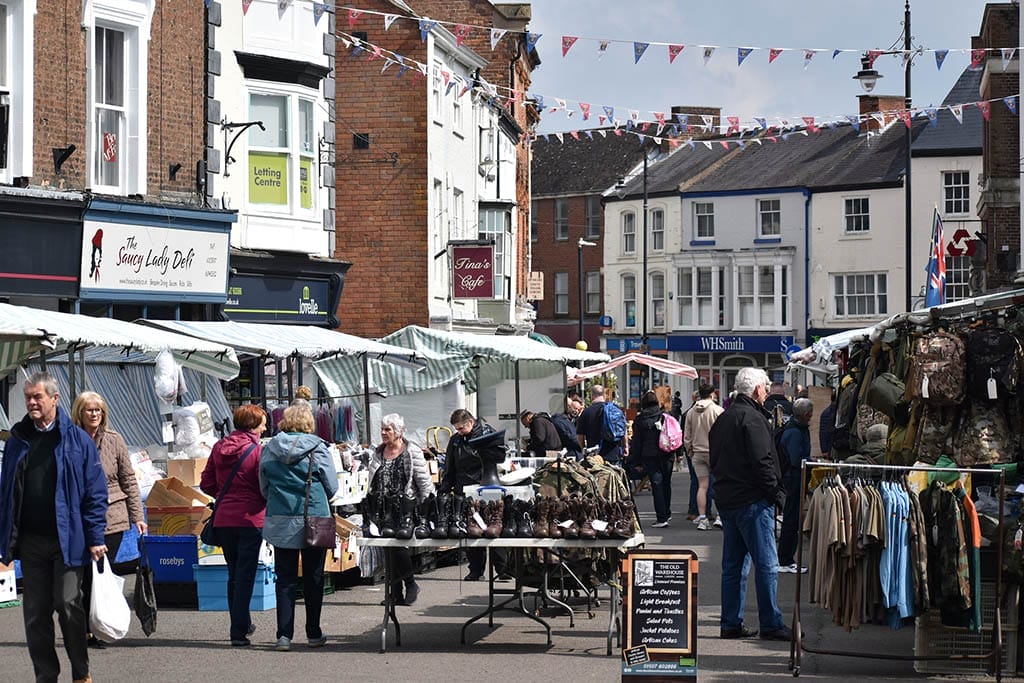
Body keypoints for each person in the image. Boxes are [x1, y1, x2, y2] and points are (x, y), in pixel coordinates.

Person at [0, 372, 108, 683]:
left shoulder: (77, 440)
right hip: (32, 541)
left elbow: (95, 493)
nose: (32, 402)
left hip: (68, 539)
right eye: (28, 397)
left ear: (55, 399)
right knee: (35, 614)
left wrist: (95, 536)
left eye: (38, 397)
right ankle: (46, 676)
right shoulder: (18, 440)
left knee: (68, 603)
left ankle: (80, 672)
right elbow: (7, 492)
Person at [709, 366, 790, 641]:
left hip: (729, 500)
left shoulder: (724, 418)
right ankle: (770, 622)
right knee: (766, 563)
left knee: (733, 566)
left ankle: (730, 622)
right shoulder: (753, 419)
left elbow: (716, 460)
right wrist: (777, 494)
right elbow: (762, 462)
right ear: (757, 390)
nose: (767, 392)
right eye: (765, 388)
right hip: (752, 502)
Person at [260, 403, 338, 652]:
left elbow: (263, 485)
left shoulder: (270, 448)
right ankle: (313, 633)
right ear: (309, 423)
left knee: (285, 579)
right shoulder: (319, 448)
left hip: (281, 517)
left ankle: (284, 635)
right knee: (314, 577)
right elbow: (333, 486)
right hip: (313, 517)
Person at [72, 391, 147, 649]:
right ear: (79, 413)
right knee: (80, 577)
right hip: (79, 517)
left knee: (100, 574)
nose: (94, 414)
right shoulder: (70, 440)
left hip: (112, 516)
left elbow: (129, 479)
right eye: (89, 410)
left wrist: (138, 515)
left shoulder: (115, 440)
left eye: (98, 410)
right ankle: (82, 629)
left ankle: (96, 626)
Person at [200, 404, 268, 647]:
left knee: (234, 573)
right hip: (251, 518)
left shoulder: (219, 447)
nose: (265, 427)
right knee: (245, 575)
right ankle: (238, 630)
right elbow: (264, 485)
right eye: (262, 423)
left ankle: (242, 623)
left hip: (225, 518)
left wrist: (223, 493)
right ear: (252, 425)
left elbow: (206, 483)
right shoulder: (257, 451)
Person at [367, 413, 435, 605]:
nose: (383, 433)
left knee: (397, 548)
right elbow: (372, 480)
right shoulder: (378, 452)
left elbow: (424, 481)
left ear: (399, 432)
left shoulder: (411, 451)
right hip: (383, 509)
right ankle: (394, 593)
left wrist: (427, 507)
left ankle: (411, 583)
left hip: (405, 509)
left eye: (387, 429)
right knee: (387, 550)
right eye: (382, 429)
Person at [439, 409, 508, 581]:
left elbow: (499, 457)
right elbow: (450, 466)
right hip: (464, 488)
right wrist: (444, 489)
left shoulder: (488, 434)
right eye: (457, 429)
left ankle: (502, 568)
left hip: (486, 486)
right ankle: (476, 570)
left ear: (470, 422)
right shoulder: (456, 441)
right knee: (473, 530)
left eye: (461, 428)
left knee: (494, 526)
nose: (459, 432)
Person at [776, 398, 813, 574]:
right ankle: (785, 559)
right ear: (806, 414)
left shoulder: (795, 428)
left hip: (793, 477)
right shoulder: (795, 432)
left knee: (792, 519)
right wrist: (812, 462)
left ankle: (785, 558)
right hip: (794, 478)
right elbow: (796, 459)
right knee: (791, 519)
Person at [629, 391, 674, 527]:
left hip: (650, 456)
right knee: (666, 483)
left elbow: (637, 443)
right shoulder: (665, 416)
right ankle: (667, 512)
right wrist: (678, 454)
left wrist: (635, 461)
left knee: (657, 484)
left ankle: (661, 517)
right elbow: (674, 434)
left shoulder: (640, 420)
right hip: (667, 453)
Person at [684, 383, 724, 531]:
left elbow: (686, 435)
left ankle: (702, 518)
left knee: (702, 486)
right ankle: (720, 516)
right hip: (715, 453)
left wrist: (690, 450)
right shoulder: (718, 410)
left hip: (697, 452)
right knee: (720, 485)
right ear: (712, 393)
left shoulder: (691, 412)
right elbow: (723, 433)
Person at [576, 384, 626, 463]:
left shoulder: (586, 412)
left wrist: (583, 450)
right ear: (604, 395)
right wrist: (625, 446)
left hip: (595, 456)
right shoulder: (615, 409)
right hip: (613, 454)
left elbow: (580, 436)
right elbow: (623, 429)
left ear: (592, 395)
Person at [818, 388, 838, 460]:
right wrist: (825, 450)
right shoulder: (829, 412)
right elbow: (823, 432)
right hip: (831, 446)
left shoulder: (829, 411)